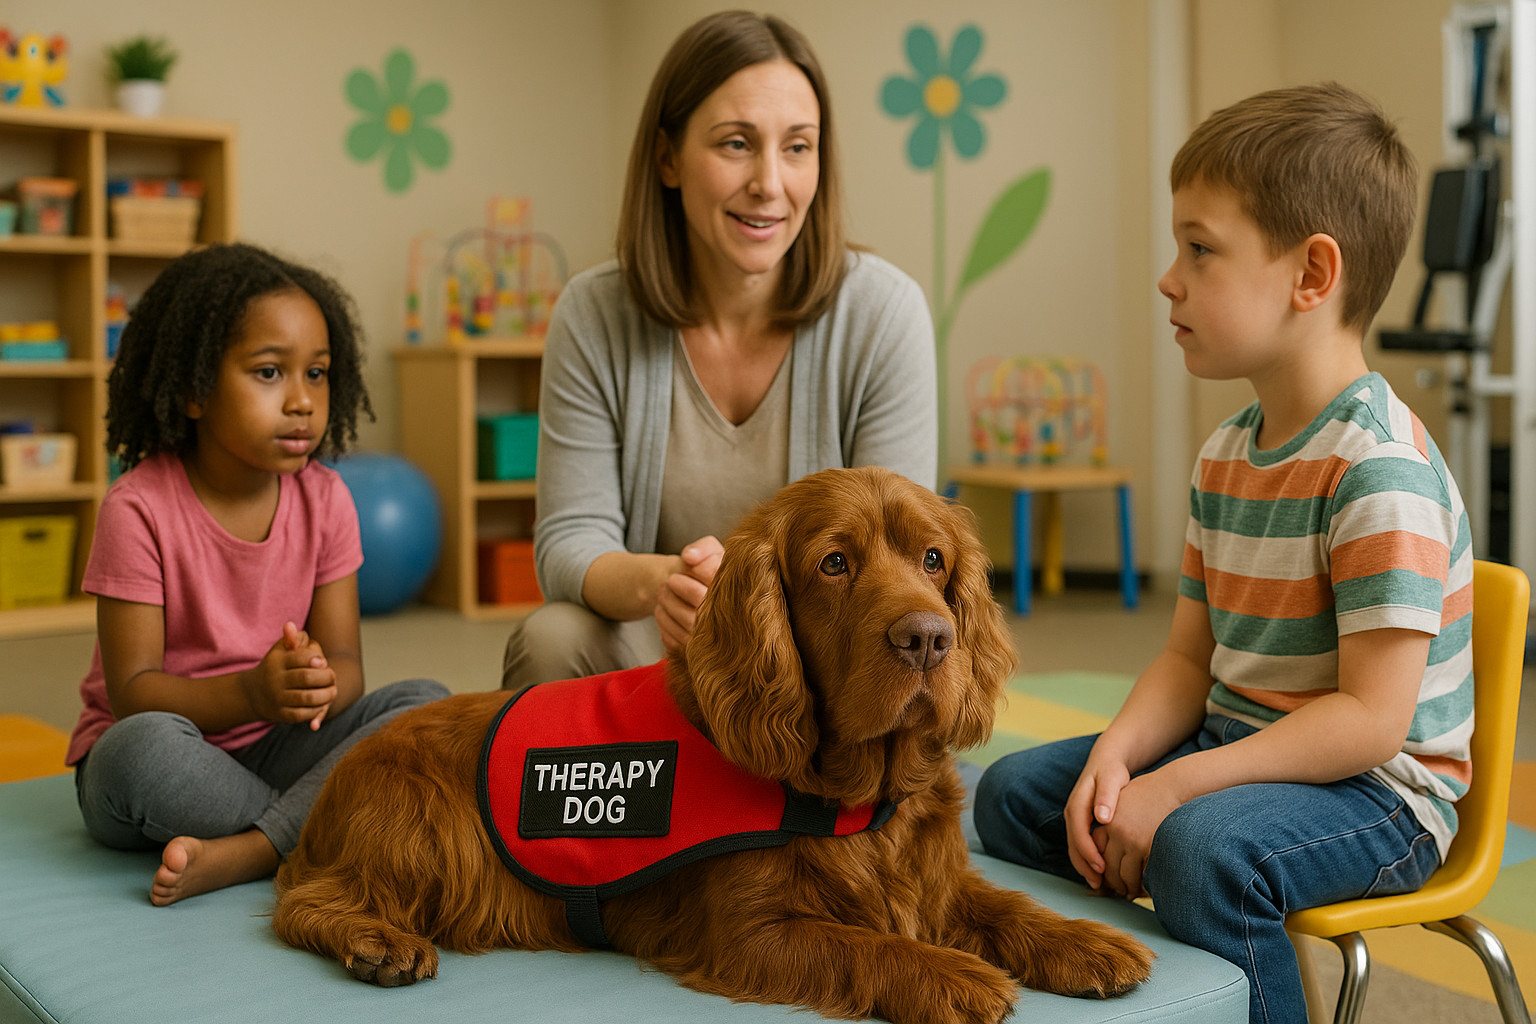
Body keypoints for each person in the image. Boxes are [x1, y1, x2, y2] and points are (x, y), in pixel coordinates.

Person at [973, 83, 1472, 1024]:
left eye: (1199, 250)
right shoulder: (1226, 453)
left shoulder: (1379, 471)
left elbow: (1370, 722)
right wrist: (1120, 762)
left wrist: (1175, 787)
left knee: (1199, 849)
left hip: (1379, 794)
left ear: (1311, 275)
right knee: (1014, 797)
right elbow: (1187, 660)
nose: (1169, 277)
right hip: (1241, 746)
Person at [501, 11, 937, 691]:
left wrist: (754, 606)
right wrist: (665, 582)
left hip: (826, 649)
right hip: (661, 643)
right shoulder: (592, 313)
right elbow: (569, 545)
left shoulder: (885, 312)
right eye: (736, 144)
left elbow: (900, 555)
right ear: (668, 157)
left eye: (798, 147)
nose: (770, 182)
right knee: (550, 636)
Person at [68, 243, 449, 905]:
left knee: (429, 707)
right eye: (270, 373)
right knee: (139, 750)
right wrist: (250, 695)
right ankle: (315, 827)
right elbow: (131, 692)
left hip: (278, 742)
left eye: (319, 374)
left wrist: (314, 689)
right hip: (170, 751)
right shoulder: (137, 509)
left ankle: (255, 850)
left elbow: (350, 666)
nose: (302, 400)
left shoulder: (327, 498)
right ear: (192, 389)